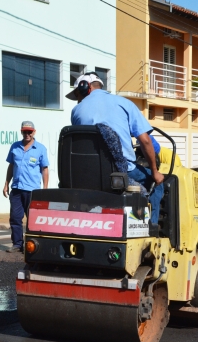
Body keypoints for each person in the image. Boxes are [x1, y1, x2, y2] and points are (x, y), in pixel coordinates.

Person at [68, 72, 164, 229]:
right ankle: (151, 227)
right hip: (120, 171)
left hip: (86, 173)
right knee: (157, 182)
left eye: (78, 94)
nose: (78, 99)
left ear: (86, 87)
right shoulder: (124, 104)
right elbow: (145, 140)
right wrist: (155, 171)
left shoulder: (76, 111)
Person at [3, 121, 49, 253]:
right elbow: (11, 166)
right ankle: (17, 244)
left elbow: (44, 169)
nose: (27, 134)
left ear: (34, 132)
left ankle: (31, 245)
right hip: (16, 189)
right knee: (15, 218)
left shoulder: (40, 149)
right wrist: (6, 183)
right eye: (25, 131)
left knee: (32, 219)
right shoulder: (15, 147)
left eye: (30, 131)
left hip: (33, 191)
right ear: (21, 131)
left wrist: (44, 189)